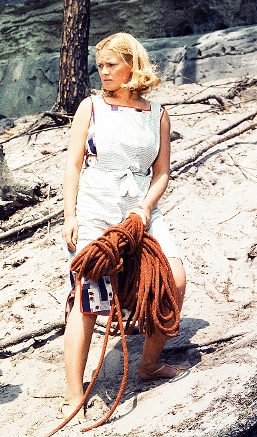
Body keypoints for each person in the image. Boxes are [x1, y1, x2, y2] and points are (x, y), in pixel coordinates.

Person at [60, 32, 187, 421]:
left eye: (111, 64)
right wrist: (70, 215)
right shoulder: (91, 106)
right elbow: (74, 164)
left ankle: (149, 364)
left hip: (140, 207)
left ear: (132, 65)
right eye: (100, 65)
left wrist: (144, 209)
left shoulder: (157, 113)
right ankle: (73, 392)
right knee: (90, 297)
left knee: (175, 278)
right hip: (95, 204)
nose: (103, 71)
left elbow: (162, 172)